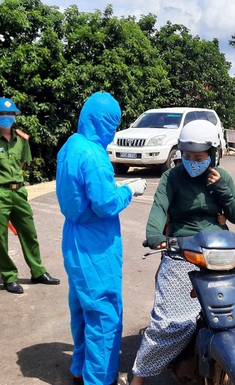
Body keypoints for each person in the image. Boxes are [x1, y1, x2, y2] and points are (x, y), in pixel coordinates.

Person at [130, 120, 235, 385]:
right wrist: (155, 236)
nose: (193, 162)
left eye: (199, 157)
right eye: (188, 156)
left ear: (213, 155)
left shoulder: (222, 178)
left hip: (219, 255)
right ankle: (137, 379)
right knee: (167, 323)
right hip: (182, 251)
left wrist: (221, 190)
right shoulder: (172, 177)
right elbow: (159, 207)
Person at [56, 92, 147, 385]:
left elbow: (85, 191)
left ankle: (80, 369)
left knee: (82, 307)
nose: (113, 130)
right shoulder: (95, 155)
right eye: (113, 123)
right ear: (103, 122)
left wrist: (114, 186)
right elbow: (105, 203)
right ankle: (99, 380)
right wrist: (130, 190)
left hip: (74, 236)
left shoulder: (71, 145)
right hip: (96, 242)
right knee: (104, 313)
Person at [0, 97, 60, 294]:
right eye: (2, 114)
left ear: (15, 116)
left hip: (18, 191)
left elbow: (21, 164)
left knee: (29, 232)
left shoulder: (22, 139)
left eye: (10, 114)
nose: (6, 117)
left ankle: (38, 271)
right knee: (0, 238)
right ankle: (9, 276)